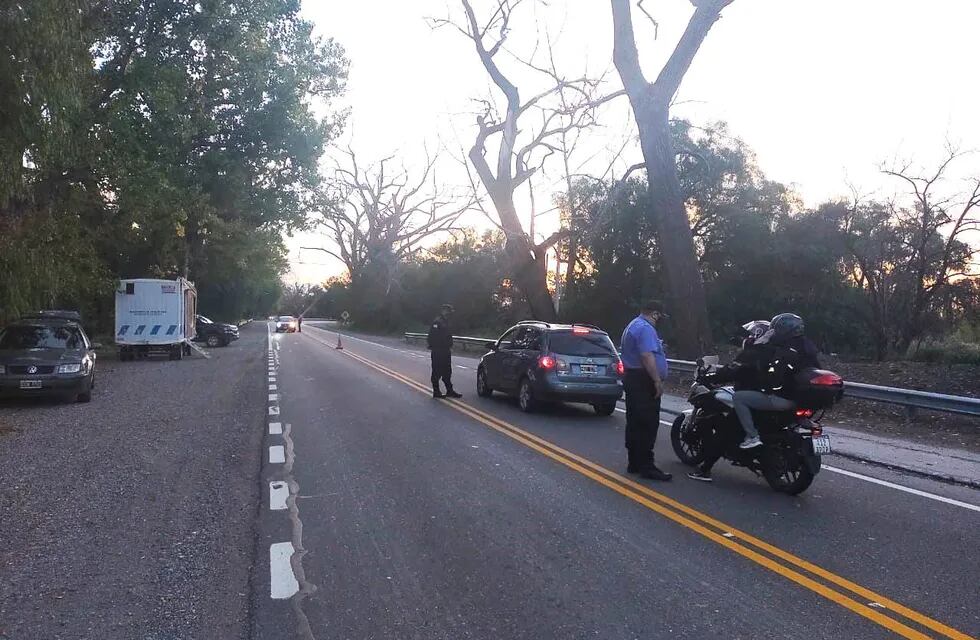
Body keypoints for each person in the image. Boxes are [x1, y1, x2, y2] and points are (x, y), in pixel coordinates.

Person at [687, 320, 771, 482]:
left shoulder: (752, 353)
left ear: (757, 335)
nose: (747, 339)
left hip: (749, 398)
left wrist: (709, 377)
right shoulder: (772, 352)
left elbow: (731, 371)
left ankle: (705, 470)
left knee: (725, 432)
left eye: (749, 335)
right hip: (768, 399)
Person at [620, 300, 672, 481]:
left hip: (633, 378)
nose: (660, 321)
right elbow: (646, 355)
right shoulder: (645, 328)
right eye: (660, 317)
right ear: (655, 314)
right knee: (647, 423)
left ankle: (634, 461)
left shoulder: (633, 325)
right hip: (643, 380)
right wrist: (657, 380)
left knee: (634, 421)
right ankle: (646, 466)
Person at [428, 303, 462, 399]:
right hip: (438, 350)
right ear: (444, 311)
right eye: (449, 311)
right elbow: (432, 336)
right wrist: (434, 346)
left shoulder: (445, 321)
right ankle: (436, 391)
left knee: (447, 371)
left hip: (445, 350)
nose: (450, 313)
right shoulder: (437, 322)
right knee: (437, 371)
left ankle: (449, 390)